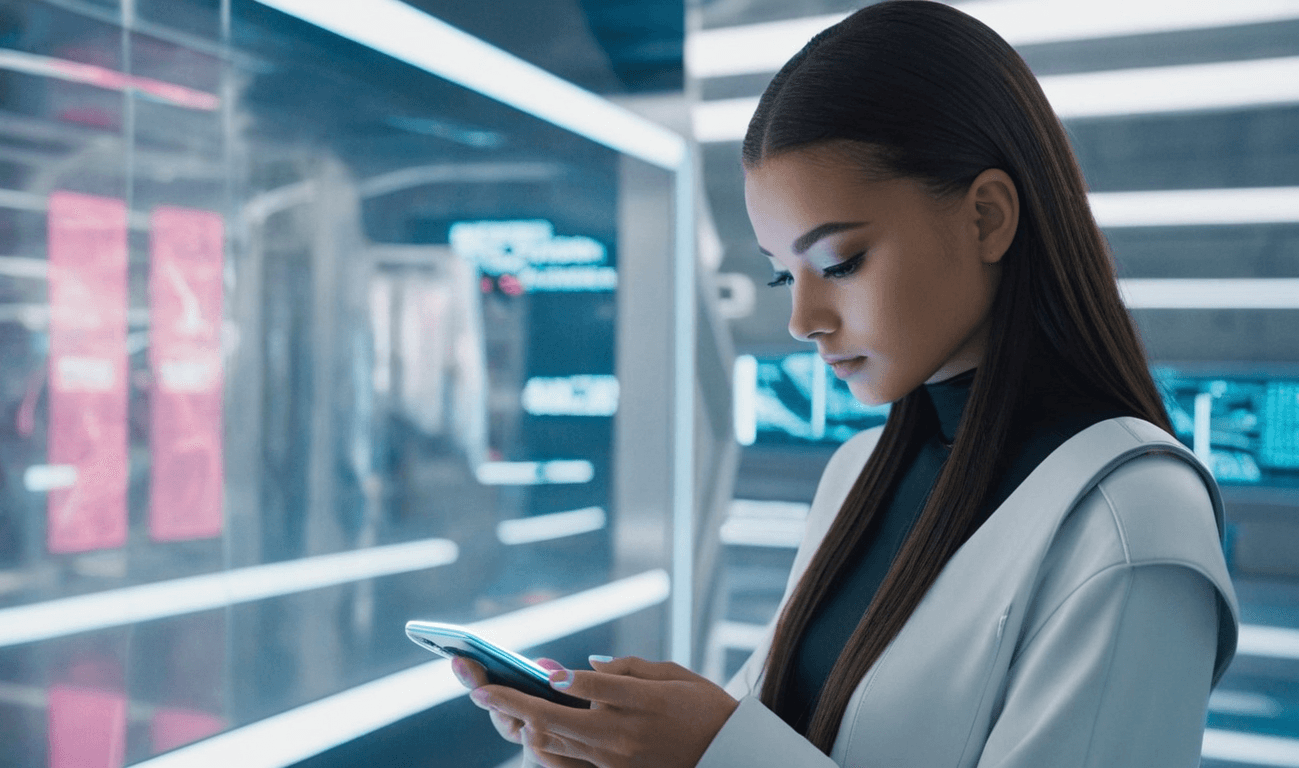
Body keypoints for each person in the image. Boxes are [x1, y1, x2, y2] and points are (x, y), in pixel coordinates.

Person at [452, 2, 1240, 766]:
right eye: (780, 276)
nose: (802, 319)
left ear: (988, 217)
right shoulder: (857, 474)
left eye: (840, 263)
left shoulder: (1132, 522)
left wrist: (714, 752)